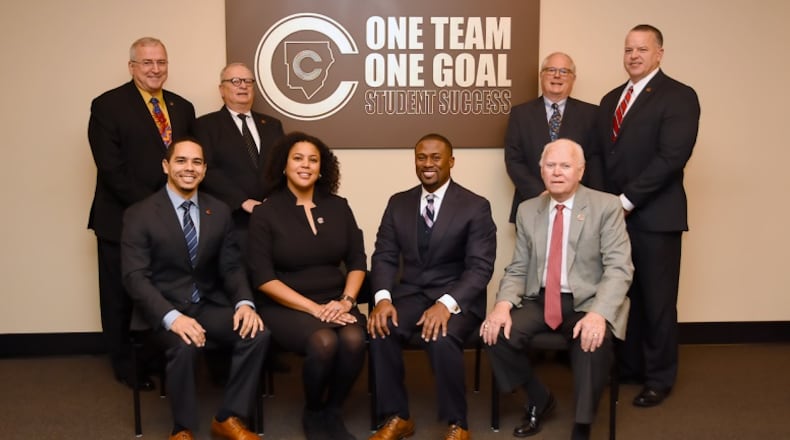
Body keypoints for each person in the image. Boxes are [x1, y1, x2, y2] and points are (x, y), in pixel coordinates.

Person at [482, 139, 633, 440]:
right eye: (550, 165)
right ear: (541, 171)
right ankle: (539, 399)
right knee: (494, 332)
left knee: (593, 343)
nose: (557, 172)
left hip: (587, 301)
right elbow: (519, 266)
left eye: (565, 166)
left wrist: (599, 314)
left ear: (580, 171)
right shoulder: (528, 210)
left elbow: (619, 268)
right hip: (540, 300)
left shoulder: (606, 206)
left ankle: (583, 424)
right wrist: (501, 305)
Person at [122, 139, 269, 440]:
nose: (189, 168)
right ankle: (183, 428)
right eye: (181, 161)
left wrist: (244, 303)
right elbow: (135, 277)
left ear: (203, 170)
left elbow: (231, 266)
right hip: (161, 311)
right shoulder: (140, 214)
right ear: (166, 166)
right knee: (184, 344)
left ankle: (228, 418)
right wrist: (172, 317)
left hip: (205, 304)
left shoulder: (219, 210)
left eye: (196, 162)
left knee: (257, 332)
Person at [592, 24, 700, 407]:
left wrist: (625, 201)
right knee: (623, 295)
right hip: (614, 217)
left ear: (659, 53)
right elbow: (600, 159)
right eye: (628, 49)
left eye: (642, 49)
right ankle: (632, 367)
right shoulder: (609, 100)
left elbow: (671, 158)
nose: (633, 56)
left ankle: (659, 378)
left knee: (656, 301)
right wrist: (607, 205)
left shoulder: (679, 97)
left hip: (656, 218)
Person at [367, 133, 497, 440]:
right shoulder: (398, 203)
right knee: (380, 328)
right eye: (421, 157)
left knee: (440, 335)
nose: (428, 164)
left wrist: (446, 304)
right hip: (410, 293)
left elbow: (480, 267)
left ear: (451, 162)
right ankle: (397, 417)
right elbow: (384, 254)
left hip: (457, 297)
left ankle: (458, 424)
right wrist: (383, 299)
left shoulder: (475, 206)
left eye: (436, 157)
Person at [88, 36, 196, 389]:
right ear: (132, 66)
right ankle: (125, 366)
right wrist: (156, 209)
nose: (155, 69)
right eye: (147, 62)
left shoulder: (182, 107)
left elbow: (189, 164)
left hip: (173, 221)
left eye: (161, 62)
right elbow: (111, 168)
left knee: (163, 289)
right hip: (120, 219)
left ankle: (160, 358)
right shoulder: (107, 106)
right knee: (120, 296)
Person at [247, 132, 367, 440]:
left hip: (335, 301)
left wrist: (345, 301)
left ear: (322, 167)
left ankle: (333, 410)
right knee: (324, 341)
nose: (305, 165)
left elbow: (357, 261)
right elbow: (263, 277)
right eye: (298, 158)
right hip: (285, 305)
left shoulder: (339, 206)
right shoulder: (266, 212)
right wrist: (315, 309)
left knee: (354, 338)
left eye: (313, 160)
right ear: (283, 166)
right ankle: (313, 411)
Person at [194, 62, 284, 251]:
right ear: (222, 89)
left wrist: (273, 199)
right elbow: (207, 169)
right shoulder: (205, 126)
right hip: (230, 220)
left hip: (271, 218)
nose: (243, 86)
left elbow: (282, 167)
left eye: (248, 81)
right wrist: (242, 201)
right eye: (235, 81)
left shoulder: (272, 125)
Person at [505, 52, 598, 224]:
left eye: (564, 71)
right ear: (541, 75)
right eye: (551, 70)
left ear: (573, 78)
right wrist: (541, 193)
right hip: (532, 203)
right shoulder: (521, 114)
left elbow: (594, 161)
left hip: (578, 207)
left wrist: (571, 193)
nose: (557, 75)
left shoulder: (591, 114)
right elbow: (513, 161)